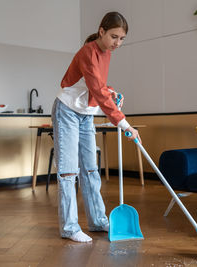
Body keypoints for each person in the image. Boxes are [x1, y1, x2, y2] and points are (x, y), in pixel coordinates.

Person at [51, 11, 141, 243]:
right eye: (114, 37)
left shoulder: (106, 53)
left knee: (91, 169)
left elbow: (98, 85)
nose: (117, 43)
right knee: (69, 171)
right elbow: (97, 90)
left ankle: (98, 221)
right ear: (101, 31)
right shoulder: (88, 53)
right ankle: (70, 228)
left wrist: (111, 92)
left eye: (121, 39)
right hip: (67, 112)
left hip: (85, 115)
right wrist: (125, 123)